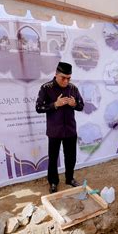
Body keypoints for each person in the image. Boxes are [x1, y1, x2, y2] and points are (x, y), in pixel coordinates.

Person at [36, 62, 84, 193]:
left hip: (70, 130)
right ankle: (53, 182)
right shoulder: (46, 88)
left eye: (69, 78)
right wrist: (55, 104)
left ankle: (70, 178)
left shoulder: (73, 88)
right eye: (63, 77)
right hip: (54, 131)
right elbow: (38, 108)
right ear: (56, 74)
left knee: (71, 157)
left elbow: (81, 106)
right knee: (53, 158)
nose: (66, 81)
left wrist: (74, 104)